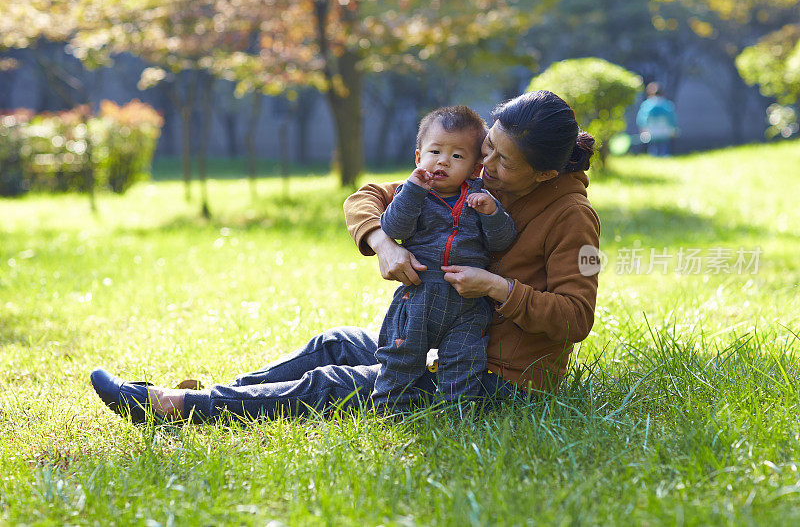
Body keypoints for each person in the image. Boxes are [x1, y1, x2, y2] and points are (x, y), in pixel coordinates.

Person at [89, 90, 600, 424]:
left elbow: (577, 319)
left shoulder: (574, 219)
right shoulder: (474, 183)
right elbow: (367, 197)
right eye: (486, 148)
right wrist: (382, 243)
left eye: (502, 161)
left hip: (496, 378)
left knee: (333, 385)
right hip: (443, 336)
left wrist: (497, 288)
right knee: (335, 343)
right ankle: (229, 392)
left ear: (545, 175)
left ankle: (175, 406)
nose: (485, 164)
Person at [373, 106, 516, 410]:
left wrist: (491, 214)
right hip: (419, 294)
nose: (442, 161)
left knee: (464, 360)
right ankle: (391, 411)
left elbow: (503, 241)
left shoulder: (481, 198)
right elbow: (394, 228)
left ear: (476, 167)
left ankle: (456, 415)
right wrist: (412, 192)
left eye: (457, 156)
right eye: (435, 151)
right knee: (401, 357)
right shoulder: (411, 192)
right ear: (418, 157)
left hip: (467, 302)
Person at [636, 82, 678, 157]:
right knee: (664, 147)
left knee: (653, 147)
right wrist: (673, 128)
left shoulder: (647, 105)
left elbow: (642, 118)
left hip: (652, 131)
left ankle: (654, 158)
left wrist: (642, 129)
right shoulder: (666, 104)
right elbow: (672, 118)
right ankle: (665, 157)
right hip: (665, 131)